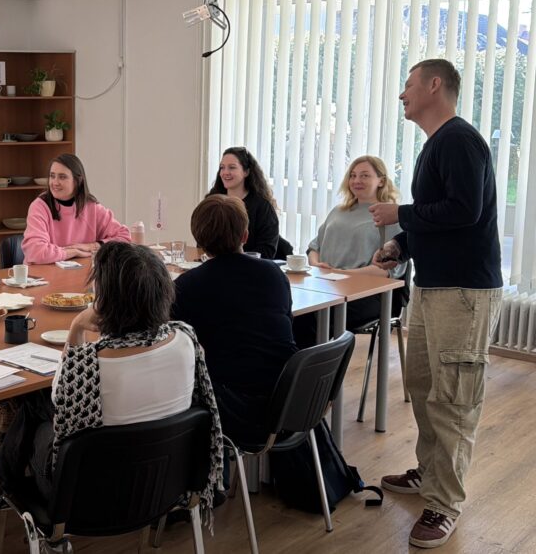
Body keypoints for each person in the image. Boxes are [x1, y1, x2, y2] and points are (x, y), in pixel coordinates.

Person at [0, 242, 224, 520]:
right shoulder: (186, 339)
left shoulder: (88, 365)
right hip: (167, 482)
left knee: (35, 403)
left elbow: (63, 401)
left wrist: (77, 327)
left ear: (102, 300)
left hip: (86, 496)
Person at [369, 59, 503, 549]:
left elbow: (466, 211)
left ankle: (444, 503)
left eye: (408, 84)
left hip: (463, 293)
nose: (402, 94)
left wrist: (399, 213)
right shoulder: (436, 144)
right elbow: (439, 216)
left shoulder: (460, 140)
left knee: (453, 401)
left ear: (434, 84)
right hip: (434, 286)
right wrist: (401, 243)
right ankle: (430, 473)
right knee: (426, 388)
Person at [171, 194, 297, 446]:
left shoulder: (188, 286)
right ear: (245, 236)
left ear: (199, 240)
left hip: (235, 407)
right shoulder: (274, 274)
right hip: (290, 395)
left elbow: (173, 344)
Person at [292, 155, 408, 348]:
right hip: (327, 286)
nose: (356, 181)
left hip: (366, 294)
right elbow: (314, 247)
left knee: (309, 317)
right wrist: (317, 264)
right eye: (353, 175)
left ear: (381, 181)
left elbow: (388, 271)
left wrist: (342, 273)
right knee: (291, 308)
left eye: (364, 175)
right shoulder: (338, 211)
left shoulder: (389, 215)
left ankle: (313, 366)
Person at [22, 154, 130, 264]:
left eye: (62, 177)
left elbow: (124, 237)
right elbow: (35, 252)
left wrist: (92, 246)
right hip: (42, 273)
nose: (55, 182)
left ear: (78, 180)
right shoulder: (39, 206)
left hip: (80, 271)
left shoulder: (92, 207)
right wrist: (73, 252)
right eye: (52, 176)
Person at [206, 147, 280, 258]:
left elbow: (266, 250)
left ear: (246, 172)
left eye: (232, 167)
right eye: (222, 167)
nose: (225, 172)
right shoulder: (212, 202)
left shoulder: (262, 207)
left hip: (249, 267)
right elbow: (202, 240)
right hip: (214, 264)